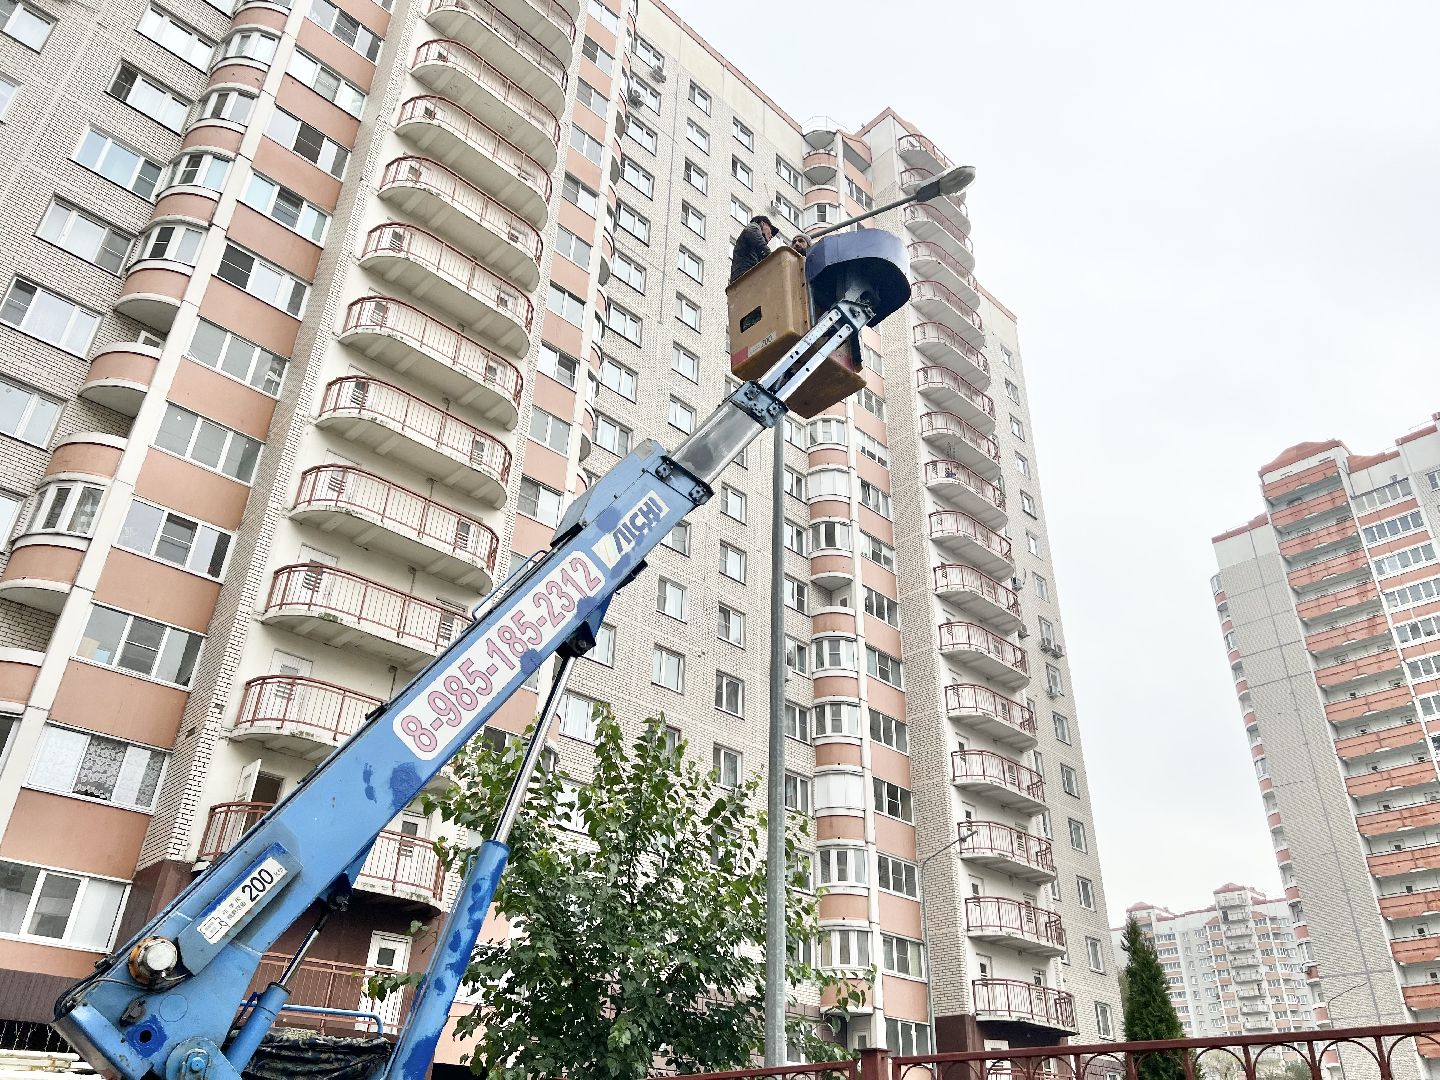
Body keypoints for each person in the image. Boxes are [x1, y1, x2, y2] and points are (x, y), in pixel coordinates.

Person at [728, 214, 775, 282]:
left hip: (744, 275)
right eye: (770, 231)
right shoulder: (754, 226)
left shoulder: (755, 245)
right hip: (744, 274)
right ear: (763, 223)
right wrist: (773, 257)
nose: (771, 236)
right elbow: (760, 244)